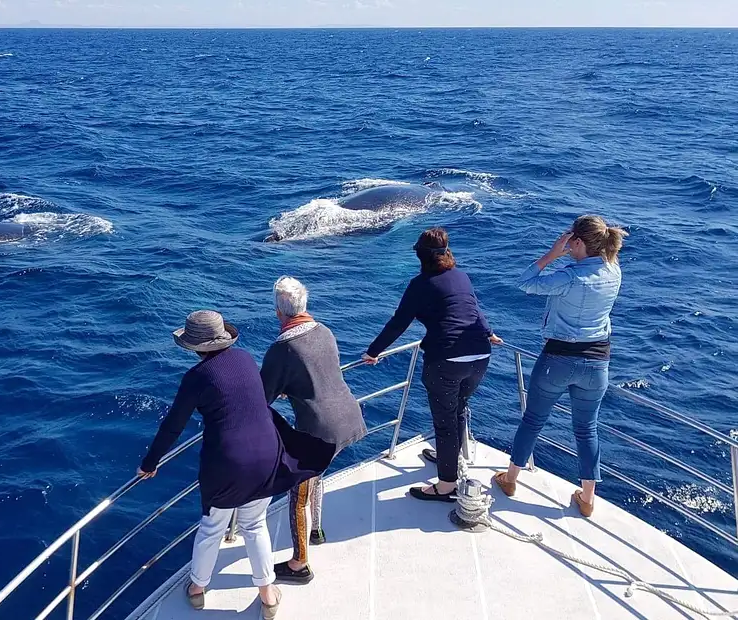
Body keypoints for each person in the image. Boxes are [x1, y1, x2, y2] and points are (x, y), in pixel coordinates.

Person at [138, 310, 333, 619]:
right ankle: (268, 594)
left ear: (195, 347)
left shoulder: (196, 377)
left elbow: (173, 426)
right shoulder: (243, 358)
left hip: (229, 464)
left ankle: (198, 589)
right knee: (255, 524)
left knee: (213, 526)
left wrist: (150, 462)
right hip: (269, 453)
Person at [492, 215, 627, 517]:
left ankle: (511, 480)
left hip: (558, 360)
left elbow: (526, 283)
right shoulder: (614, 271)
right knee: (586, 428)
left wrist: (552, 254)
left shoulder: (569, 276)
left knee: (533, 420)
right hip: (597, 364)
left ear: (576, 242)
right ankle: (588, 498)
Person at [362, 228, 501, 502]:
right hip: (481, 356)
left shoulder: (420, 284)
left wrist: (373, 351)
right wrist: (489, 333)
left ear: (419, 256)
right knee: (458, 408)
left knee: (445, 421)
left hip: (446, 361)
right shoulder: (461, 277)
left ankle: (447, 484)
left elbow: (398, 323)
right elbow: (474, 310)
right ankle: (449, 456)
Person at [260, 276, 367, 585]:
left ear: (279, 312)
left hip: (319, 432)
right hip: (350, 417)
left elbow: (262, 397)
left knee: (298, 496)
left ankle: (299, 564)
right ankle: (316, 529)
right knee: (316, 477)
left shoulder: (282, 349)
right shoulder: (325, 331)